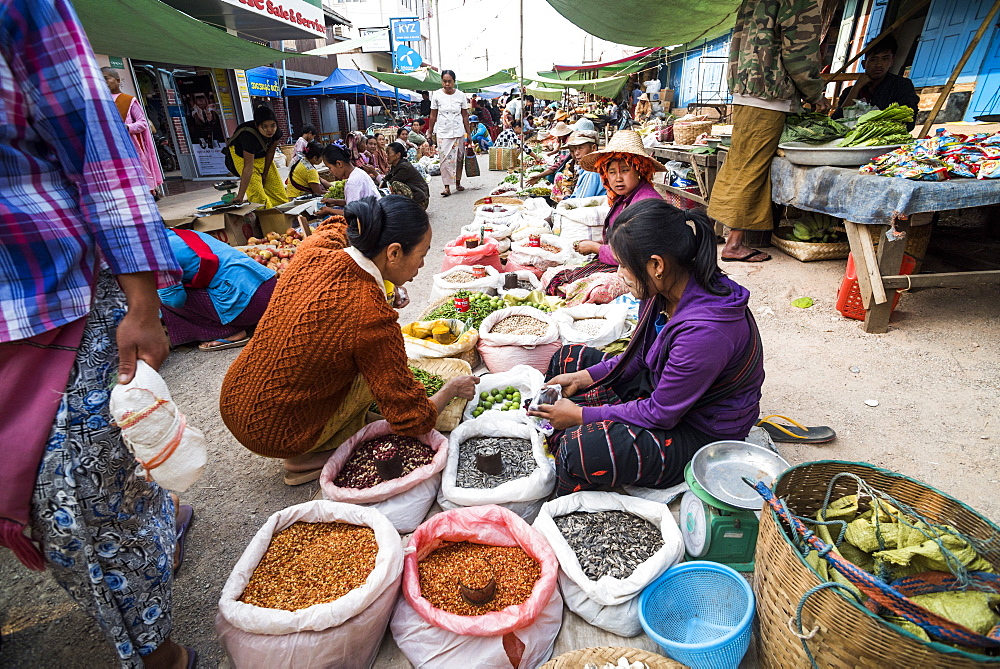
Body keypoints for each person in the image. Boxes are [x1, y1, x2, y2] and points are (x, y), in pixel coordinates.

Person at [1, 0, 194, 665]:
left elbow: (94, 144)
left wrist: (142, 305)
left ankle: (157, 649)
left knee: (84, 509)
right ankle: (162, 518)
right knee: (70, 499)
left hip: (56, 298)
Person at [220, 196, 480, 485]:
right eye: (422, 255)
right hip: (276, 432)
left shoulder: (315, 250)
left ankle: (331, 430)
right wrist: (452, 388)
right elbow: (413, 419)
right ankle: (304, 457)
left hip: (236, 397)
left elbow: (337, 224)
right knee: (379, 371)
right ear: (393, 253)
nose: (421, 265)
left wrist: (388, 285)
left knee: (356, 356)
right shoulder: (371, 315)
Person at [529, 200, 764, 495]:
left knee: (582, 448)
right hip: (664, 391)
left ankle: (570, 465)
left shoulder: (706, 332)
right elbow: (638, 357)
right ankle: (567, 428)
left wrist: (580, 416)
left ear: (656, 265)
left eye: (624, 265)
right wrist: (582, 378)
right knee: (569, 359)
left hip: (701, 431)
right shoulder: (662, 289)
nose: (619, 273)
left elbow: (661, 413)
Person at [706, 0, 826, 263]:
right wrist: (816, 93)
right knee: (752, 167)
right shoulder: (798, 2)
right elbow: (799, 54)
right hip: (768, 93)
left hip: (748, 89)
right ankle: (735, 244)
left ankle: (725, 236)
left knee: (741, 162)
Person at [546, 129, 664, 296]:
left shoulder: (646, 203)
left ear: (639, 170)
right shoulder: (623, 198)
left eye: (625, 170)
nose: (618, 178)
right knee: (557, 277)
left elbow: (633, 253)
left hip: (641, 271)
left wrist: (596, 248)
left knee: (581, 289)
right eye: (612, 172)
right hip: (622, 263)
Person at [159, 229, 277, 350]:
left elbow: (175, 301)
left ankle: (228, 332)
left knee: (161, 296)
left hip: (249, 306)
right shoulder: (180, 233)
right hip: (271, 288)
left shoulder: (156, 253)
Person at [833, 35, 919, 129]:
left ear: (892, 62)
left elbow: (909, 121)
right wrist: (856, 87)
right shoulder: (849, 91)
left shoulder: (901, 86)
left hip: (885, 140)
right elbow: (836, 120)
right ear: (864, 64)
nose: (879, 64)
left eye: (885, 59)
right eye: (874, 59)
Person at [101, 67, 163, 195]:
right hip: (109, 149)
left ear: (118, 80)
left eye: (106, 78)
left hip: (131, 148)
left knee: (139, 181)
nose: (103, 82)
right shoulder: (98, 102)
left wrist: (127, 127)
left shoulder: (128, 100)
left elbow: (143, 123)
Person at [225, 105, 289, 208]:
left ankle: (283, 217)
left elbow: (270, 153)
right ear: (257, 125)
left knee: (278, 192)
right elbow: (248, 168)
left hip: (262, 155)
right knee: (258, 195)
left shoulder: (276, 132)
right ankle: (266, 219)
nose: (269, 130)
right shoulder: (248, 136)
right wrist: (240, 196)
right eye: (265, 126)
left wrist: (265, 174)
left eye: (272, 125)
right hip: (242, 156)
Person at [427, 70, 471, 197]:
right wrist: (430, 132)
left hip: (458, 131)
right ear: (442, 81)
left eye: (449, 81)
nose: (447, 84)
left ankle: (457, 183)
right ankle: (446, 187)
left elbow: (465, 116)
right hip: (443, 131)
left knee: (458, 158)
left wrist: (469, 134)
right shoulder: (436, 95)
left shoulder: (461, 95)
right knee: (445, 160)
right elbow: (433, 115)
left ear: (454, 82)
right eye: (444, 81)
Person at [383, 141, 430, 209]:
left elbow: (389, 184)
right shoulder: (395, 165)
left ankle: (407, 208)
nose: (386, 156)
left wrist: (376, 174)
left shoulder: (404, 167)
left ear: (398, 155)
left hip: (421, 201)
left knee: (395, 184)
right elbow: (386, 179)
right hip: (417, 198)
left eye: (388, 153)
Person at [561, 130, 606, 200]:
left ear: (593, 148)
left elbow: (580, 203)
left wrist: (565, 199)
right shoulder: (585, 169)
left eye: (580, 148)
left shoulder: (591, 173)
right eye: (575, 149)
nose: (576, 153)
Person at [527, 121, 573, 185]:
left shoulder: (569, 142)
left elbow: (562, 162)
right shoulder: (562, 140)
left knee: (554, 176)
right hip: (562, 164)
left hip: (567, 169)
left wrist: (540, 175)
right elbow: (560, 160)